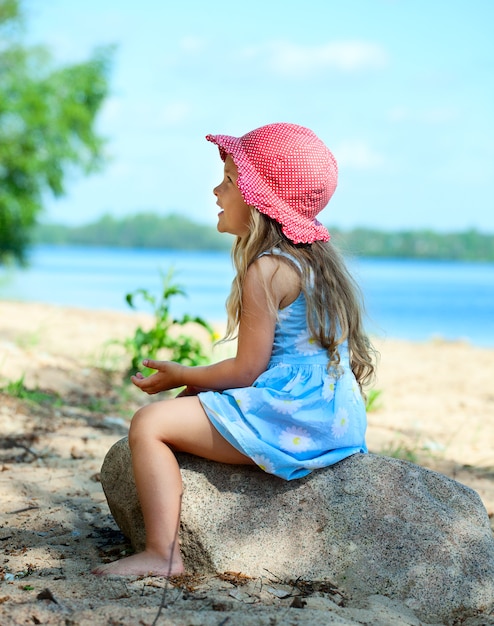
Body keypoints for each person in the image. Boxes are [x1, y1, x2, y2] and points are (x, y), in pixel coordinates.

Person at [92, 122, 376, 577]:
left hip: (292, 414)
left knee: (149, 423)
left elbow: (247, 371)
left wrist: (184, 372)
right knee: (190, 407)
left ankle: (162, 555)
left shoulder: (266, 270)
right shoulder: (319, 264)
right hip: (336, 417)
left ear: (260, 200)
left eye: (228, 180)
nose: (216, 190)